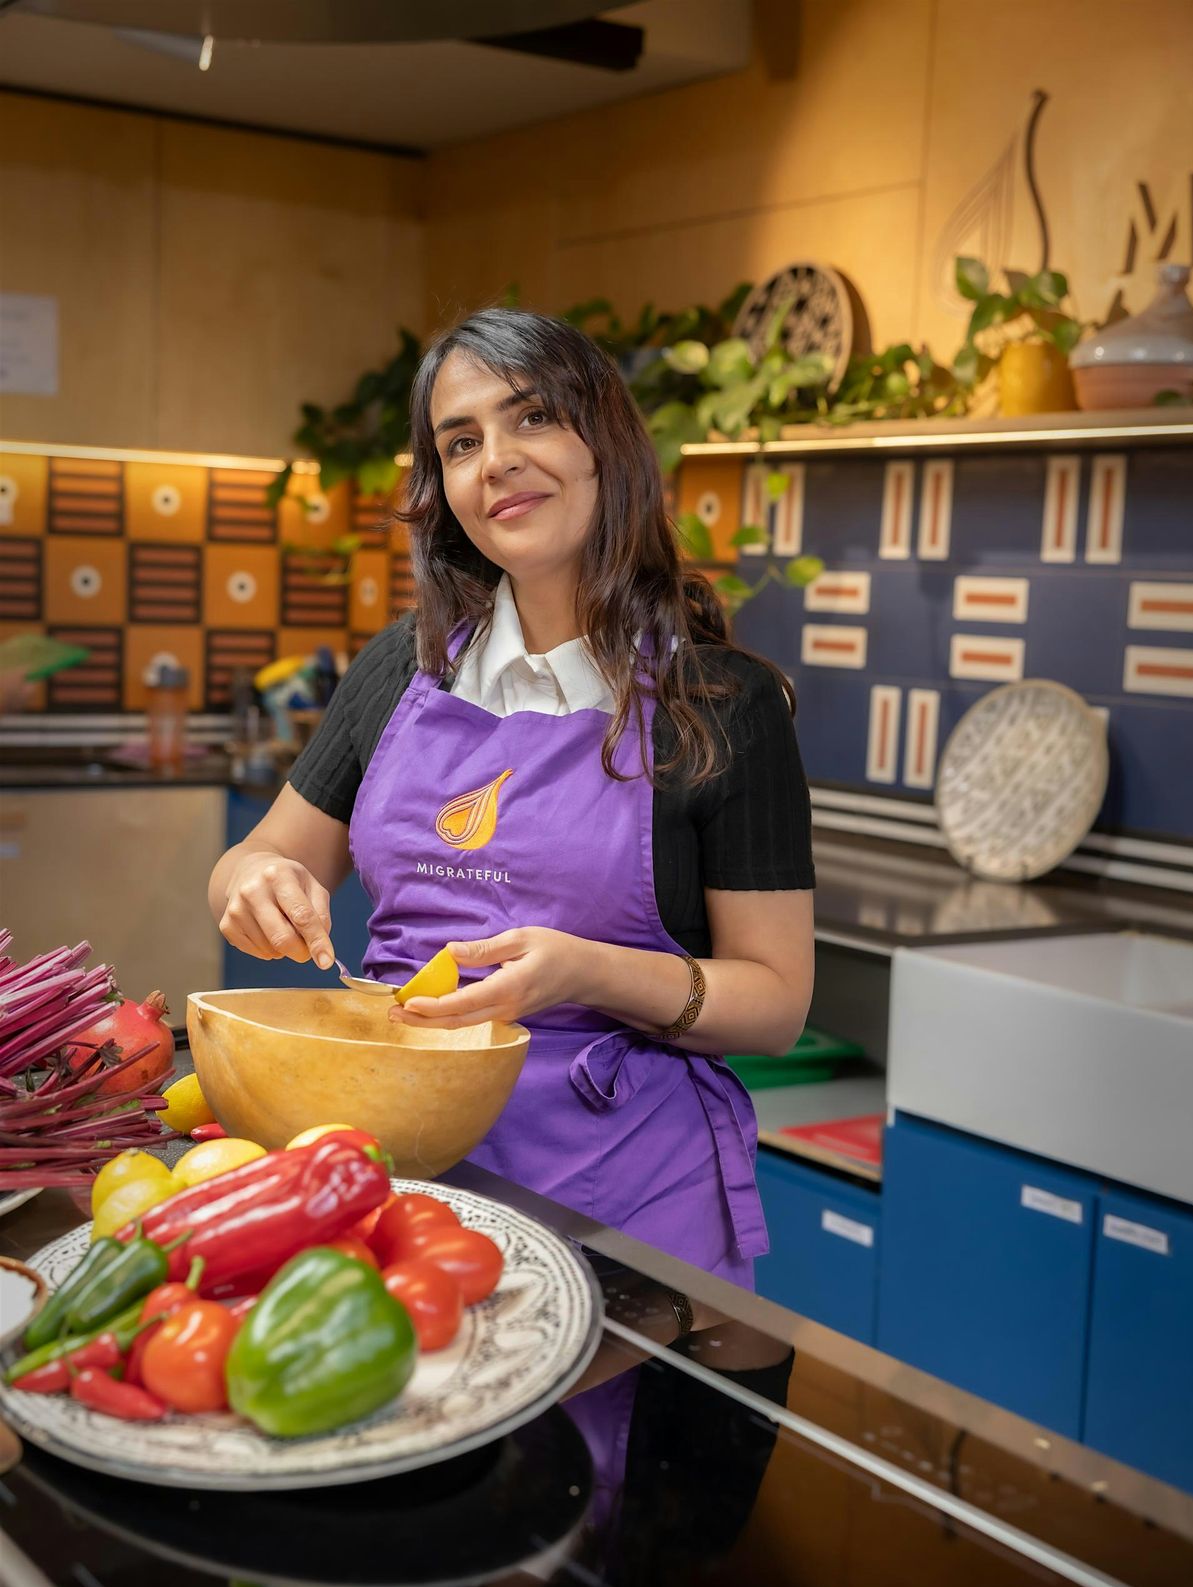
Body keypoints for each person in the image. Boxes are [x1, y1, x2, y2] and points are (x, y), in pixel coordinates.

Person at [209, 308, 815, 1288]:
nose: (495, 460)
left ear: (603, 444)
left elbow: (776, 1003)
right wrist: (255, 881)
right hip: (399, 1180)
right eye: (461, 440)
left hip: (619, 1212)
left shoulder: (722, 704)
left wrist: (585, 970)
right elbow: (257, 859)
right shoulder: (397, 671)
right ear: (444, 487)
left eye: (531, 418)